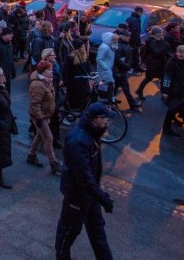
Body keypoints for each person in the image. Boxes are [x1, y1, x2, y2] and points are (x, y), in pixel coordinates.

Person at [54, 103, 116, 260]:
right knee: (69, 231)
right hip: (77, 195)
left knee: (97, 231)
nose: (108, 123)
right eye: (106, 120)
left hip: (90, 194)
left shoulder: (91, 133)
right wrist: (102, 198)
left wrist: (98, 196)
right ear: (96, 119)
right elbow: (83, 177)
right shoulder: (79, 140)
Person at [26, 60, 61, 175]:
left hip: (45, 114)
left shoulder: (47, 81)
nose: (51, 71)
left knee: (40, 135)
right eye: (48, 70)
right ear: (42, 71)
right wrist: (40, 118)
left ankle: (31, 155)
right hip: (39, 115)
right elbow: (35, 104)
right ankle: (53, 163)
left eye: (51, 69)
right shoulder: (38, 84)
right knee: (49, 138)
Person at [136, 26, 167, 101]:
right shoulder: (153, 41)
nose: (162, 34)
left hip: (157, 63)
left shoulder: (156, 40)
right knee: (149, 78)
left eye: (162, 33)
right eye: (160, 33)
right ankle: (139, 91)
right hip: (153, 64)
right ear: (156, 33)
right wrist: (162, 43)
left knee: (161, 78)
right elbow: (157, 51)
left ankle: (163, 94)